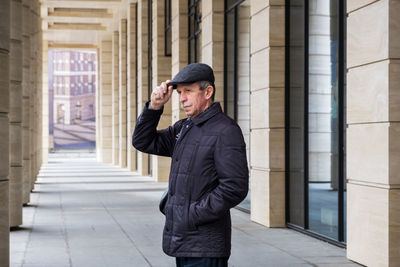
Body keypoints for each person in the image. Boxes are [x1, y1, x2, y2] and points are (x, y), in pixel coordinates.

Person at [132, 63, 249, 267]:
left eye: (188, 91)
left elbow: (234, 188)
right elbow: (143, 141)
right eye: (179, 93)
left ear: (208, 92)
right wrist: (155, 106)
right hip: (184, 239)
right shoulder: (184, 128)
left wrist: (191, 215)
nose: (182, 98)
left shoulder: (225, 130)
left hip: (205, 243)